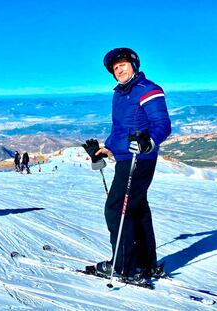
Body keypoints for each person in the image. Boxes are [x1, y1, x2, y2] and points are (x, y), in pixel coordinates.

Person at [87, 48, 171, 284]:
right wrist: (105, 149)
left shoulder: (148, 90)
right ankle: (146, 264)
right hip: (127, 158)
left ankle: (123, 266)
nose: (119, 70)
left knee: (116, 209)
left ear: (134, 64)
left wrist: (148, 141)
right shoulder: (121, 94)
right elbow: (120, 130)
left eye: (123, 64)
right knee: (137, 209)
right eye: (115, 68)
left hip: (140, 159)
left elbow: (162, 123)